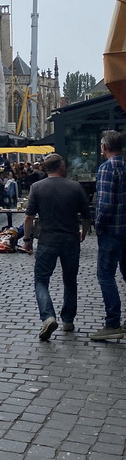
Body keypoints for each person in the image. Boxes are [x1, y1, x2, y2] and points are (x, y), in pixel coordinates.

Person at [22, 153, 91, 341]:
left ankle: (48, 316)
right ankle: (68, 320)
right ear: (61, 166)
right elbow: (86, 215)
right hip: (70, 240)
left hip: (47, 240)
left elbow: (28, 217)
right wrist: (83, 233)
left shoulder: (37, 187)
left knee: (41, 280)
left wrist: (27, 240)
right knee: (70, 280)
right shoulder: (75, 187)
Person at [90, 130, 126, 341]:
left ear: (104, 146)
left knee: (105, 275)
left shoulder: (106, 169)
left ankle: (112, 323)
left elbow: (104, 206)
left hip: (112, 231)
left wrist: (99, 227)